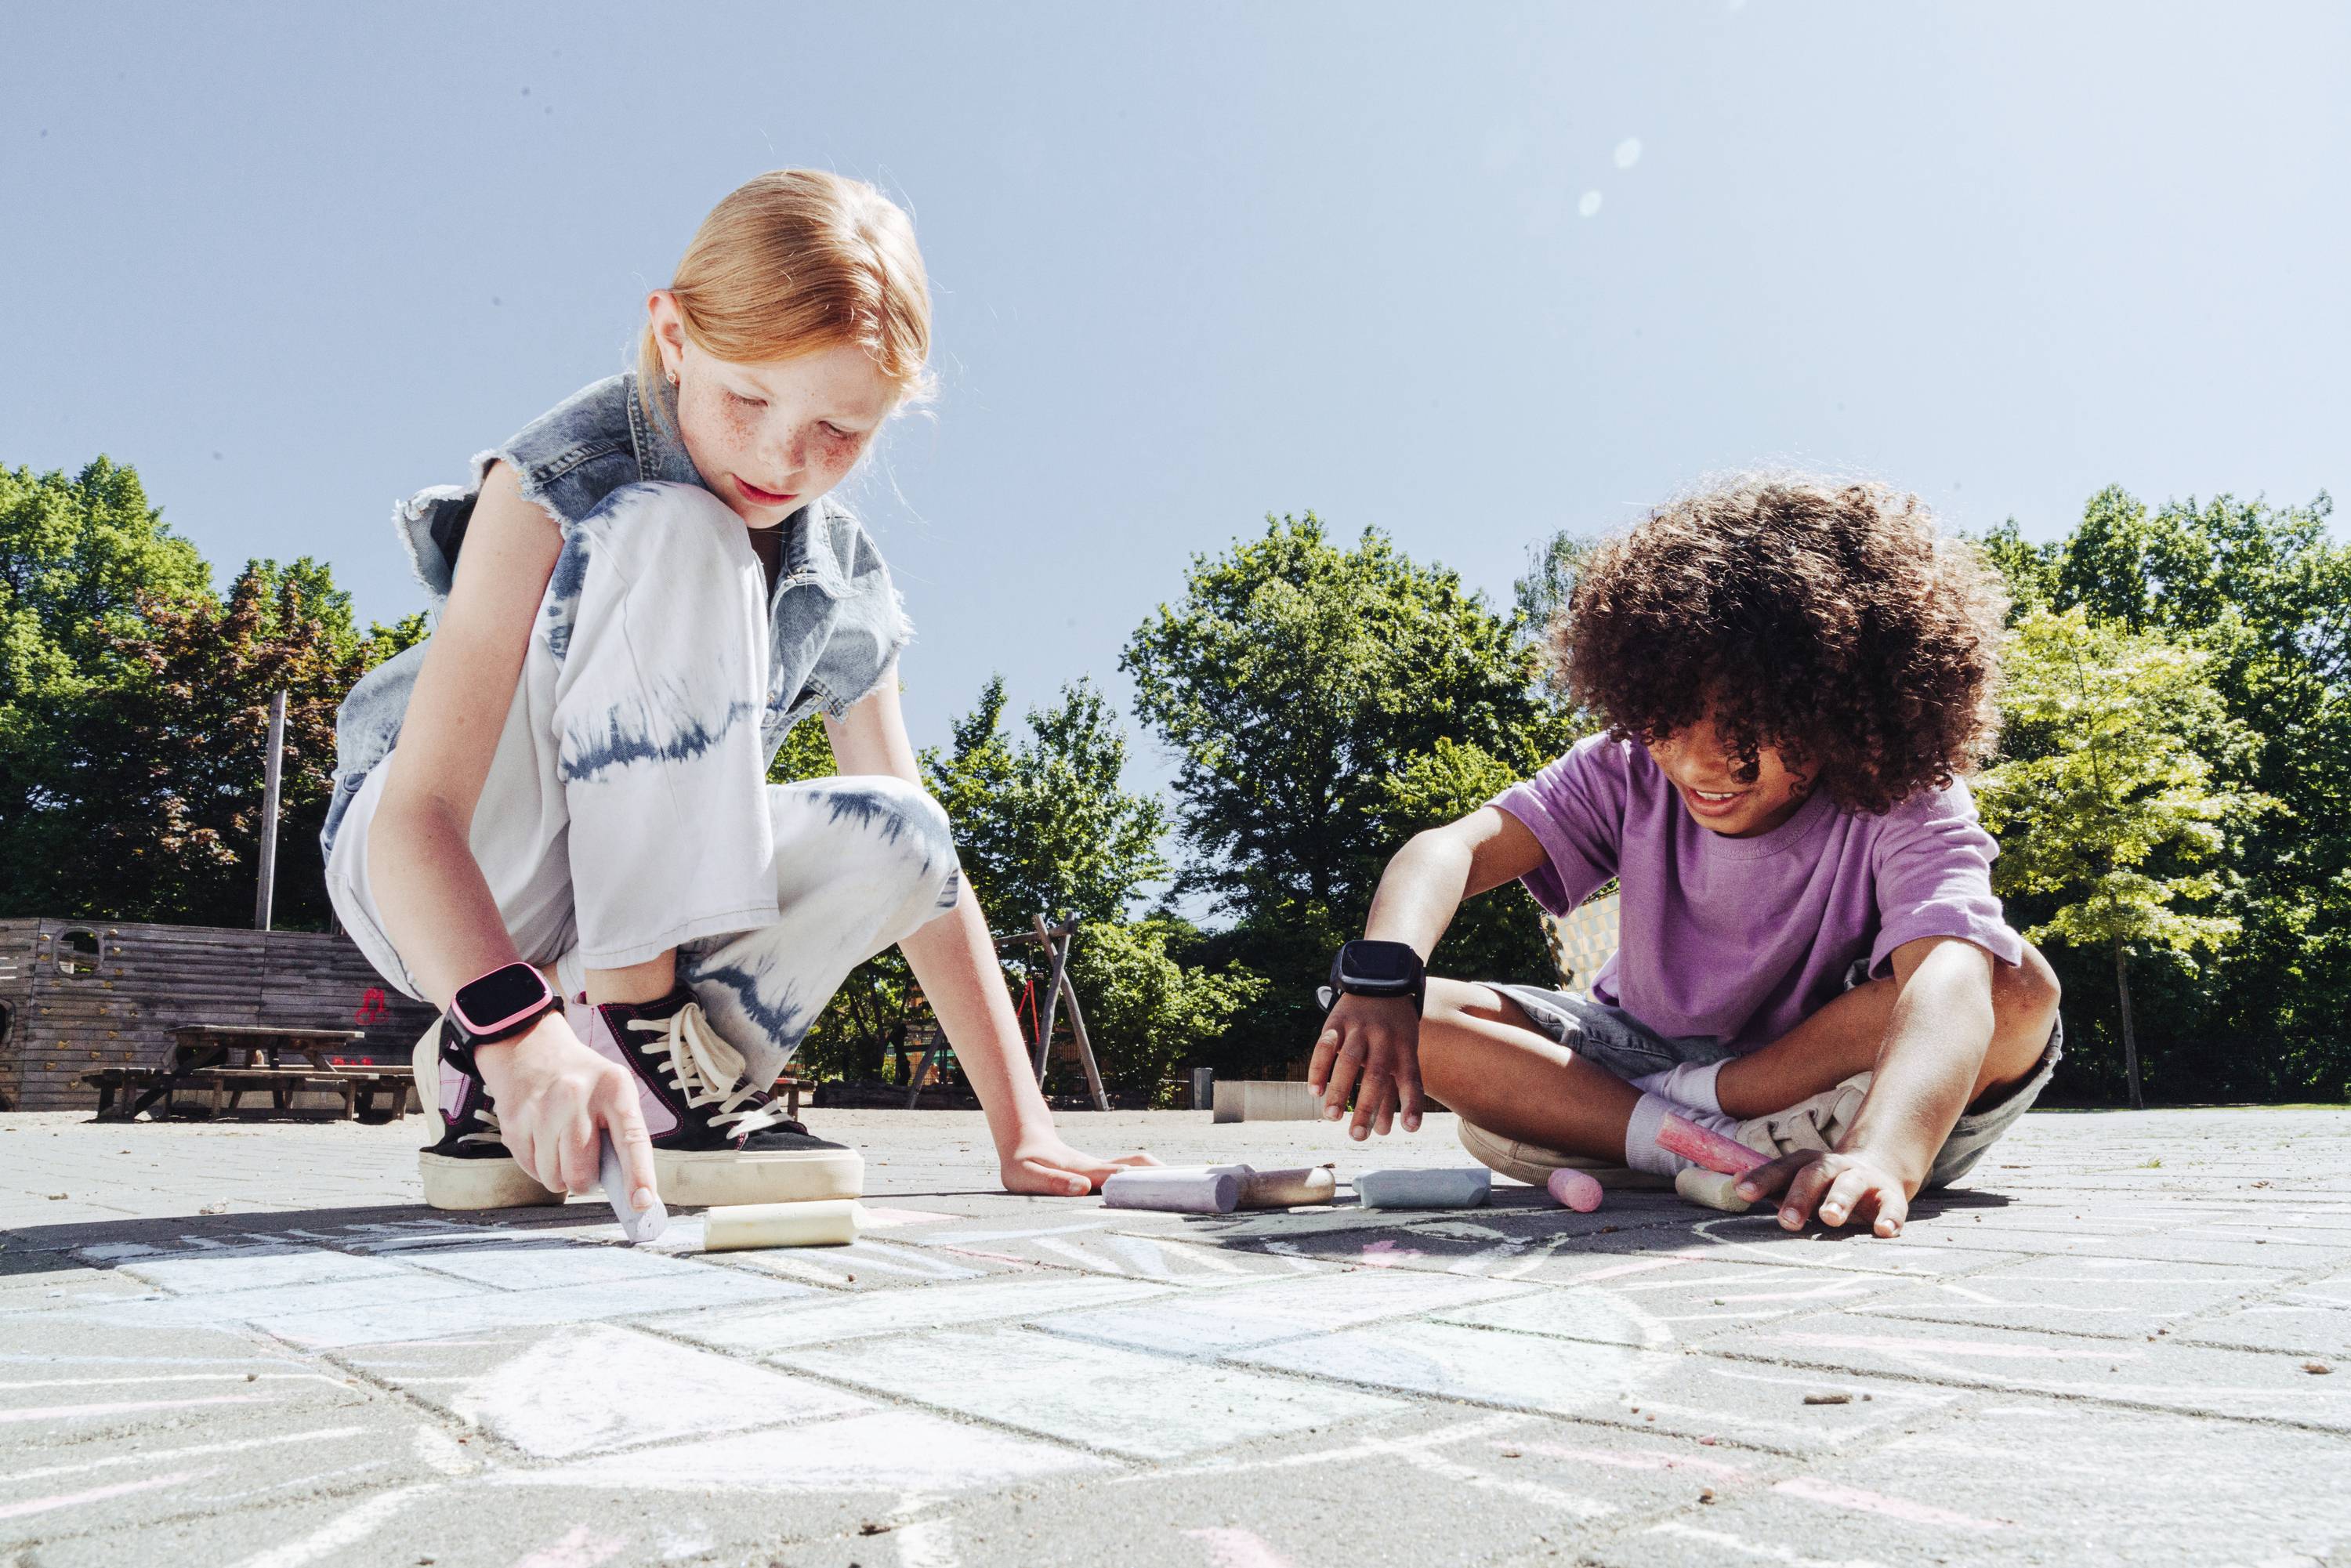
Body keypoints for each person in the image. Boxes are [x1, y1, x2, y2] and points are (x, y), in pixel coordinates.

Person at [323, 169, 1152, 1215]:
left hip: (613, 906)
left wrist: (1023, 1132)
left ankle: (521, 1077)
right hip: (441, 868)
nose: (782, 457)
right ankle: (575, 1031)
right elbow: (418, 816)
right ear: (673, 337)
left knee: (906, 831)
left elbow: (929, 891)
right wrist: (514, 1026)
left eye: (839, 432)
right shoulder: (552, 478)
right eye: (748, 397)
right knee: (682, 528)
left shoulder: (839, 578)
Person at [1309, 473, 2063, 1237]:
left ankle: (1689, 1118)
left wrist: (1883, 1154)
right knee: (1409, 1014)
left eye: (1746, 740)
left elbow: (1946, 975)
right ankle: (1697, 1146)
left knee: (2014, 987)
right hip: (1637, 1051)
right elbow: (1453, 850)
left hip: (1828, 1066)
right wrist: (1382, 977)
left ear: (1840, 707)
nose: (1701, 768)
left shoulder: (1902, 791)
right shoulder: (1626, 764)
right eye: (1670, 725)